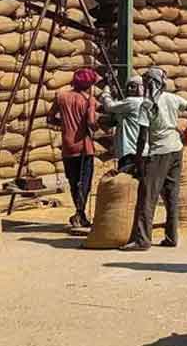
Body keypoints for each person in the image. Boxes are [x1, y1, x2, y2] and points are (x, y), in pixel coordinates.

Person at [123, 67, 187, 251]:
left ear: (150, 83)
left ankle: (142, 240)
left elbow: (142, 136)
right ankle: (171, 237)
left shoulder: (147, 104)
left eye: (145, 83)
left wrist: (138, 161)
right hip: (176, 149)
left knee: (147, 195)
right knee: (171, 195)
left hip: (159, 152)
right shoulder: (172, 98)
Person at [47, 67, 100, 229]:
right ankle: (79, 214)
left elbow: (50, 118)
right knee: (84, 183)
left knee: (73, 181)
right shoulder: (88, 100)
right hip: (84, 147)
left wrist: (64, 125)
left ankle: (80, 214)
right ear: (89, 85)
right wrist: (97, 127)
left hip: (67, 147)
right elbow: (91, 122)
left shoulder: (61, 96)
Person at [100, 75, 144, 173]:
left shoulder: (132, 102)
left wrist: (106, 91)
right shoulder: (145, 102)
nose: (129, 89)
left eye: (133, 86)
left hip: (130, 150)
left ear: (141, 87)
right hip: (142, 151)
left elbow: (109, 106)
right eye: (128, 86)